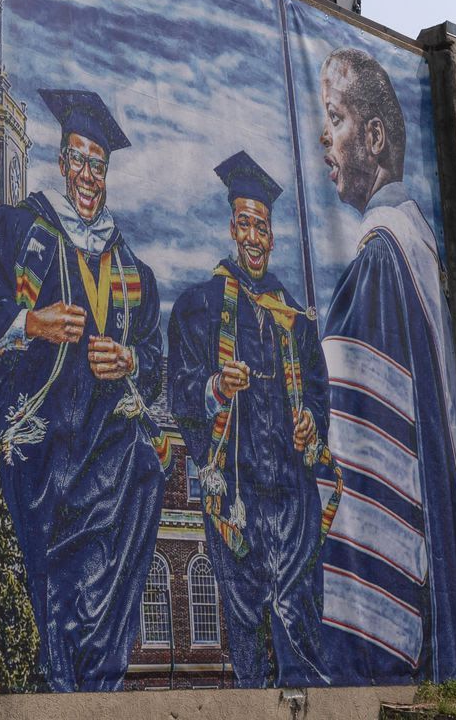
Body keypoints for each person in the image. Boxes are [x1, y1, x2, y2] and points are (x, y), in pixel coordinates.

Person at [0, 88, 165, 692]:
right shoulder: (16, 232)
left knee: (109, 594)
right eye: (79, 160)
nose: (88, 175)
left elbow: (155, 359)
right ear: (62, 162)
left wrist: (130, 359)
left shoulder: (130, 267)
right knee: (62, 601)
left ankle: (98, 692)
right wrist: (27, 324)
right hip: (47, 456)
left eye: (98, 164)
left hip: (113, 457)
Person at [312, 48, 456, 680]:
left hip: (401, 608)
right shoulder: (418, 244)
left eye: (336, 118)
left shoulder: (382, 262)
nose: (324, 137)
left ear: (375, 137)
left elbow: (361, 448)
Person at [166, 151, 336, 688]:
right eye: (245, 224)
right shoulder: (199, 308)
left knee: (302, 636)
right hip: (236, 503)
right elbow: (180, 392)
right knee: (248, 643)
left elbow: (319, 393)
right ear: (231, 228)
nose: (254, 237)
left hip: (292, 502)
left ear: (273, 235)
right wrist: (216, 386)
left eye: (262, 226)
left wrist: (311, 423)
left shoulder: (295, 318)